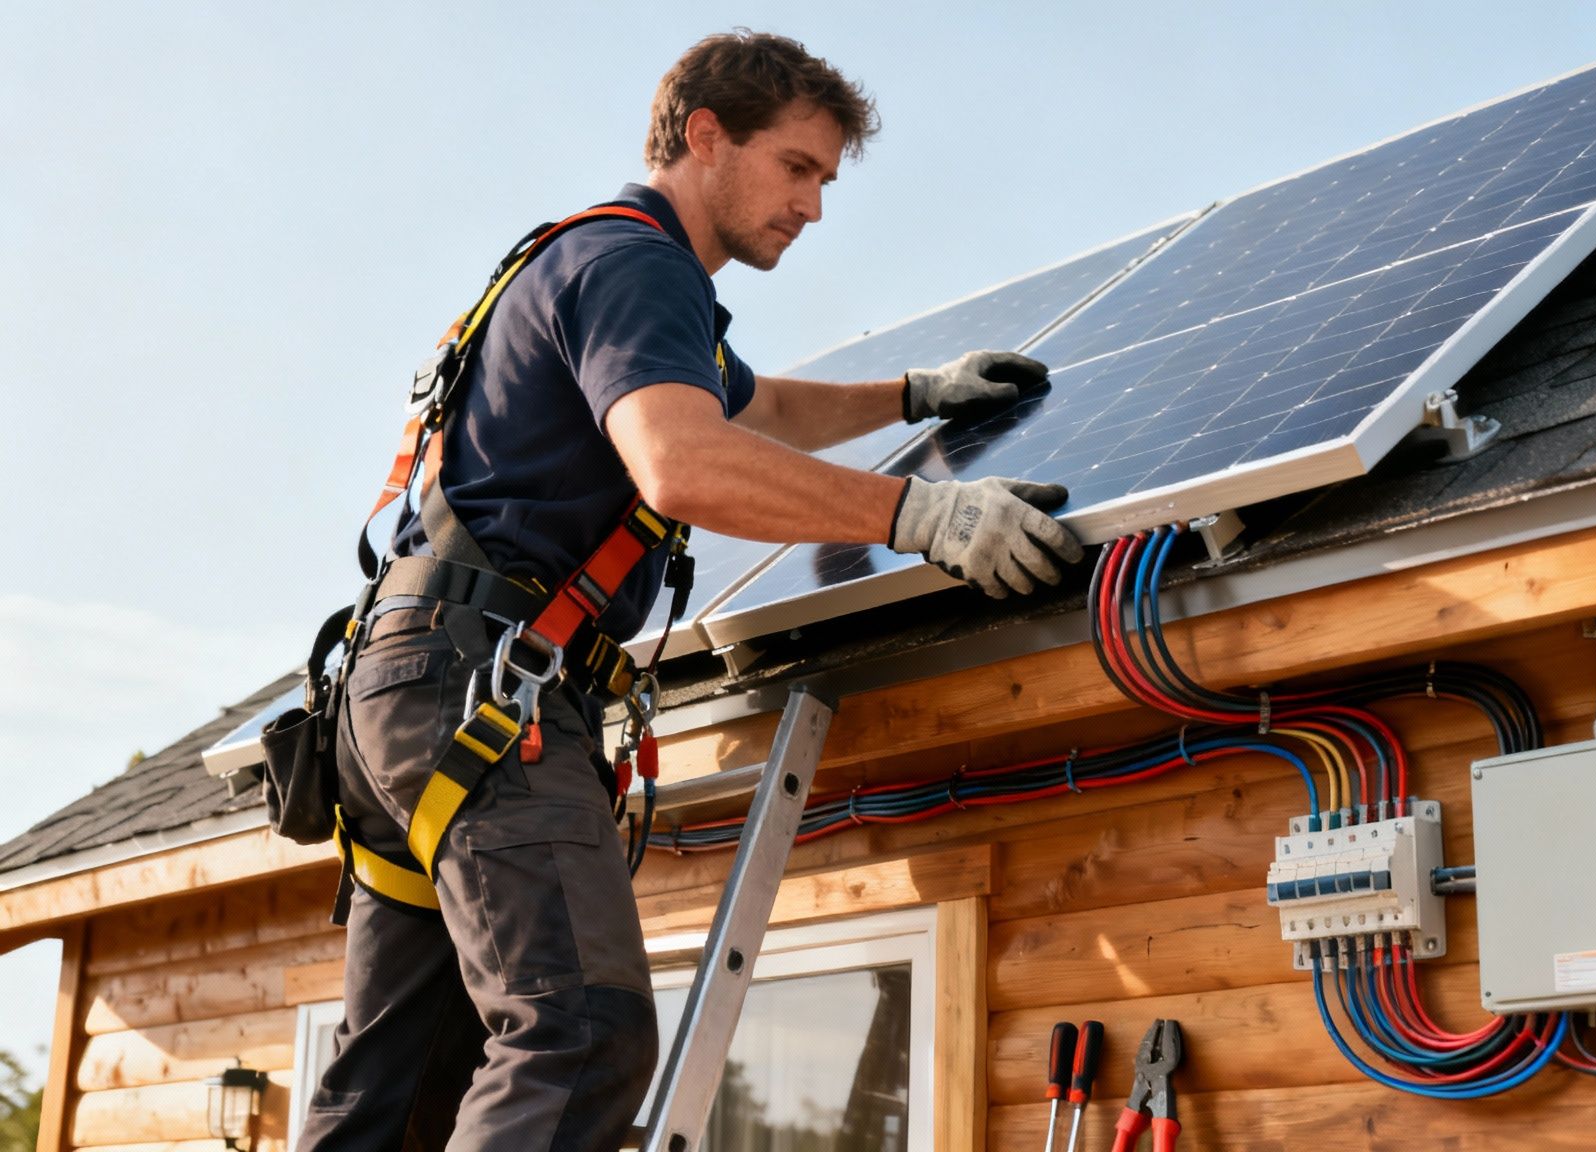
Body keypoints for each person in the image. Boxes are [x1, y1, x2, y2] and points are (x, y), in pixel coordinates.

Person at [299, 29, 1083, 1151]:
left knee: (399, 1086)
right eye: (797, 168)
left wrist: (915, 393)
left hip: (401, 695)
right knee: (579, 1030)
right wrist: (924, 514)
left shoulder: (590, 265)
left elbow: (752, 409)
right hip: (484, 692)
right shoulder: (635, 265)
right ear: (705, 137)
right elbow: (687, 462)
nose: (813, 206)